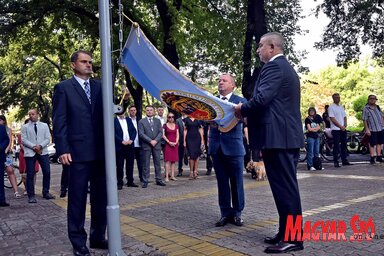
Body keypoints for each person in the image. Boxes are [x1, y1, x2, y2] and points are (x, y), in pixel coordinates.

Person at [234, 32, 304, 253]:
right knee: (283, 189)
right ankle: (285, 233)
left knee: (286, 189)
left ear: (272, 47)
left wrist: (240, 109)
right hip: (281, 138)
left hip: (279, 139)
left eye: (261, 46)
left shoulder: (274, 67)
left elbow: (262, 99)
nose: (258, 50)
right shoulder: (284, 67)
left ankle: (293, 238)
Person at [52, 50, 111, 255]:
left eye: (90, 62)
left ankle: (97, 237)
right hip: (76, 153)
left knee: (100, 198)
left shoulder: (101, 86)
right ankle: (78, 242)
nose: (88, 65)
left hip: (101, 153)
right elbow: (59, 120)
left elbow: (107, 114)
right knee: (77, 199)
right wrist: (63, 148)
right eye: (84, 62)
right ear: (73, 65)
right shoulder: (63, 88)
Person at [209, 73, 246, 227]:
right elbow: (201, 118)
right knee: (222, 182)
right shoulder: (211, 101)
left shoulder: (241, 101)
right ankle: (225, 213)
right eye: (219, 80)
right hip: (216, 148)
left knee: (237, 182)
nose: (221, 82)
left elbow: (248, 118)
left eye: (224, 80)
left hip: (234, 148)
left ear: (233, 85)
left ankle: (237, 213)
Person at [21, 109, 54, 203]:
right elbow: (24, 139)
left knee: (47, 172)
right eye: (30, 114)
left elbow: (47, 138)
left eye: (33, 114)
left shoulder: (44, 125)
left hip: (43, 151)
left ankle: (46, 192)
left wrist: (40, 146)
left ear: (37, 114)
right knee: (30, 174)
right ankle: (31, 196)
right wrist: (33, 147)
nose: (31, 116)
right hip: (30, 152)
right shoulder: (25, 127)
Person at [138, 105, 166, 188]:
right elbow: (141, 134)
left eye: (151, 110)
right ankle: (145, 180)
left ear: (153, 111)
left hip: (157, 145)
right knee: (145, 164)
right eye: (147, 110)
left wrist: (155, 141)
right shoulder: (141, 121)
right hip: (146, 145)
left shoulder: (157, 121)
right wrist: (150, 141)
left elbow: (161, 132)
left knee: (157, 163)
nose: (149, 111)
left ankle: (159, 179)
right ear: (145, 111)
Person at [114, 111, 137, 189]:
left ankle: (130, 181)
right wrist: (121, 141)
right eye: (120, 112)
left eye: (123, 112)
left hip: (129, 145)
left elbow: (134, 131)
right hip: (120, 146)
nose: (122, 113)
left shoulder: (128, 120)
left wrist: (132, 140)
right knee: (120, 165)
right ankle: (119, 182)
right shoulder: (113, 121)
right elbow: (113, 133)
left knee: (130, 164)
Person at [328, 93, 352, 167]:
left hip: (343, 128)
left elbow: (345, 116)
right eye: (336, 97)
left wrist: (345, 125)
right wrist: (340, 126)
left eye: (338, 97)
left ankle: (344, 160)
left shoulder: (341, 107)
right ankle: (336, 161)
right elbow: (332, 118)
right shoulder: (331, 107)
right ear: (333, 98)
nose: (338, 99)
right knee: (336, 145)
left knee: (344, 144)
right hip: (336, 129)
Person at [17, 119, 40, 196]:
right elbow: (22, 145)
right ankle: (27, 189)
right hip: (24, 155)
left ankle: (32, 189)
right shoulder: (21, 135)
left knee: (34, 172)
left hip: (34, 154)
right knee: (24, 173)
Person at [0, 115, 21, 198]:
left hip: (6, 153)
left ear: (4, 121)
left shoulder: (8, 129)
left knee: (10, 170)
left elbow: (9, 141)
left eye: (1, 120)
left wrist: (5, 150)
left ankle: (16, 191)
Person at [362, 95, 384, 164]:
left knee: (379, 143)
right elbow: (364, 120)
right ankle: (372, 157)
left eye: (374, 99)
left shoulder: (377, 107)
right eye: (371, 99)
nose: (372, 100)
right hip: (372, 129)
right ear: (368, 100)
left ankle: (379, 156)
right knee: (372, 144)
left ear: (375, 100)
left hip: (380, 128)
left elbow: (382, 116)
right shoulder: (366, 108)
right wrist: (367, 129)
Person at [128, 106, 144, 182]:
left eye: (134, 110)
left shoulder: (140, 120)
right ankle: (130, 180)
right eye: (131, 110)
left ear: (136, 111)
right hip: (130, 144)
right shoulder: (126, 120)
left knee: (140, 163)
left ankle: (142, 178)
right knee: (130, 164)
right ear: (129, 111)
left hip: (139, 144)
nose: (133, 111)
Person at [162, 113, 179, 181]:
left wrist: (176, 142)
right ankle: (166, 176)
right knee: (167, 161)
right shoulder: (165, 125)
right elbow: (163, 135)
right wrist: (169, 142)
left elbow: (178, 135)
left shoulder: (176, 125)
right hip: (168, 144)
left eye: (172, 117)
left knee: (173, 161)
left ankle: (172, 176)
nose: (171, 118)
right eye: (170, 117)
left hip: (175, 144)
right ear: (167, 118)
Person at [0, 124, 10, 207]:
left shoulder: (2, 127)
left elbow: (6, 140)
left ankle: (2, 200)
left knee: (0, 179)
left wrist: (1, 147)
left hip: (0, 156)